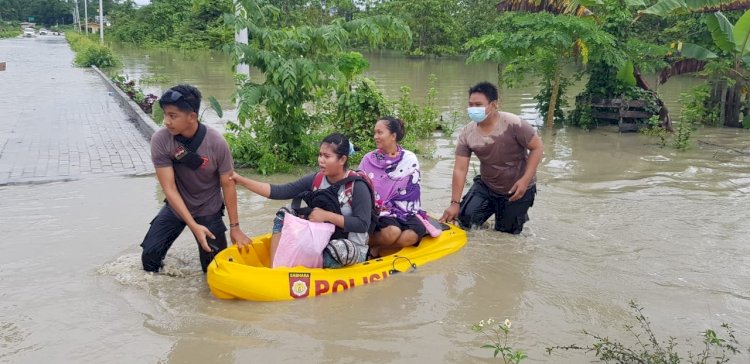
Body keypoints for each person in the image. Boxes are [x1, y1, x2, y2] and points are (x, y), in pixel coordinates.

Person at [140, 84, 250, 273]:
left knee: (216, 270)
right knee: (150, 260)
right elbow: (169, 189)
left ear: (192, 116)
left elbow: (228, 184)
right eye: (165, 114)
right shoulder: (161, 140)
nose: (166, 121)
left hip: (208, 209)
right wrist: (193, 225)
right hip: (177, 206)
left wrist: (235, 227)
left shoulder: (217, 143)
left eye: (172, 116)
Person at [231, 133, 373, 268]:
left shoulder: (357, 186)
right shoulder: (316, 179)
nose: (321, 160)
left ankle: (311, 271)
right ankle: (275, 267)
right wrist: (241, 180)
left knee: (338, 249)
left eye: (327, 156)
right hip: (320, 242)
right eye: (320, 155)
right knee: (285, 212)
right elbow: (280, 191)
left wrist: (327, 216)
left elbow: (362, 224)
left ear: (342, 159)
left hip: (349, 247)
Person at [439, 81, 543, 234]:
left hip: (518, 188)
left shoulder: (514, 124)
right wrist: (454, 203)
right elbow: (460, 169)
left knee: (506, 234)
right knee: (465, 221)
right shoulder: (467, 133)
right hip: (487, 185)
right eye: (471, 104)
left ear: (494, 105)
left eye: (479, 104)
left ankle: (515, 213)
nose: (473, 109)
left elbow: (537, 147)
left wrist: (525, 180)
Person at [359, 116, 429, 257]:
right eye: (375, 133)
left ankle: (379, 250)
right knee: (392, 233)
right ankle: (358, 243)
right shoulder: (368, 159)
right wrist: (378, 206)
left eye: (380, 132)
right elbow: (359, 187)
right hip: (377, 210)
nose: (375, 136)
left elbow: (412, 190)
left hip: (402, 209)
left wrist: (392, 205)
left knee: (414, 233)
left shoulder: (409, 158)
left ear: (393, 136)